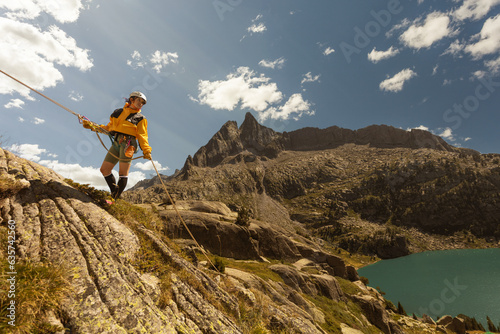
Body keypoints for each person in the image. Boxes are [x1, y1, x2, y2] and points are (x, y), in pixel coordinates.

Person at [83, 91, 152, 199]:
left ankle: (113, 199)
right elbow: (108, 128)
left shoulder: (141, 118)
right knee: (104, 169)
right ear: (132, 99)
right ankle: (115, 192)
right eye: (139, 100)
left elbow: (143, 135)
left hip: (129, 145)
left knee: (122, 173)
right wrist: (92, 126)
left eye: (143, 103)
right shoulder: (117, 113)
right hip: (116, 142)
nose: (141, 104)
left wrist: (146, 150)